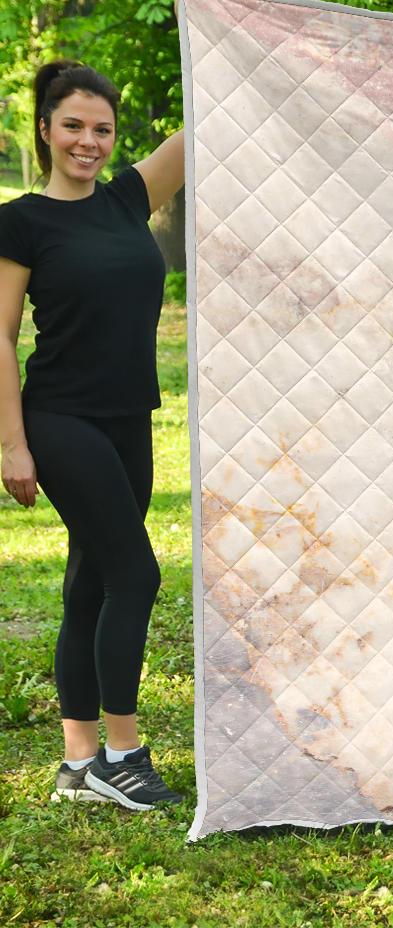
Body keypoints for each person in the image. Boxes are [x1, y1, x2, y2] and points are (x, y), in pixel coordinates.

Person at [0, 60, 185, 809]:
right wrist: (12, 445)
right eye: (73, 126)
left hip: (127, 418)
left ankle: (79, 763)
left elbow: (206, 123)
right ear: (45, 129)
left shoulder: (129, 198)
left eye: (102, 128)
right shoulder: (21, 220)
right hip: (61, 418)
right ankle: (123, 754)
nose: (88, 141)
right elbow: (2, 333)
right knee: (136, 575)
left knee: (90, 583)